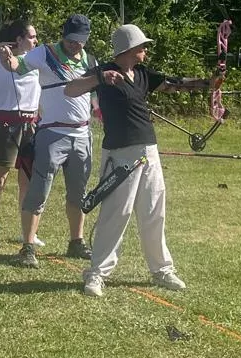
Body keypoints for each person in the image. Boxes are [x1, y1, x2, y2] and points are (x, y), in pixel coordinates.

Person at [62, 24, 207, 296]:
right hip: (120, 153)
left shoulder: (142, 73)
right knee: (117, 213)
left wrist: (208, 83)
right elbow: (70, 90)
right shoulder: (102, 71)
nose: (145, 50)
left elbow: (174, 84)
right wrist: (101, 79)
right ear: (129, 49)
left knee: (154, 210)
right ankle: (96, 274)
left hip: (148, 150)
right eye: (142, 46)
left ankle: (162, 269)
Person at [20, 14, 97, 264]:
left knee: (78, 193)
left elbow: (93, 96)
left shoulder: (90, 60)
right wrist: (7, 59)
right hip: (52, 134)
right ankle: (28, 247)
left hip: (82, 135)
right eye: (73, 40)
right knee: (39, 190)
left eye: (82, 41)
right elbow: (18, 67)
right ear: (64, 35)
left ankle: (76, 241)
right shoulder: (44, 53)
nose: (77, 45)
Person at [0, 20, 45, 257]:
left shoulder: (37, 61)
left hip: (31, 124)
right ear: (18, 39)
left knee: (28, 180)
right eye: (32, 37)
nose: (36, 41)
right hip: (6, 122)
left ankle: (28, 234)